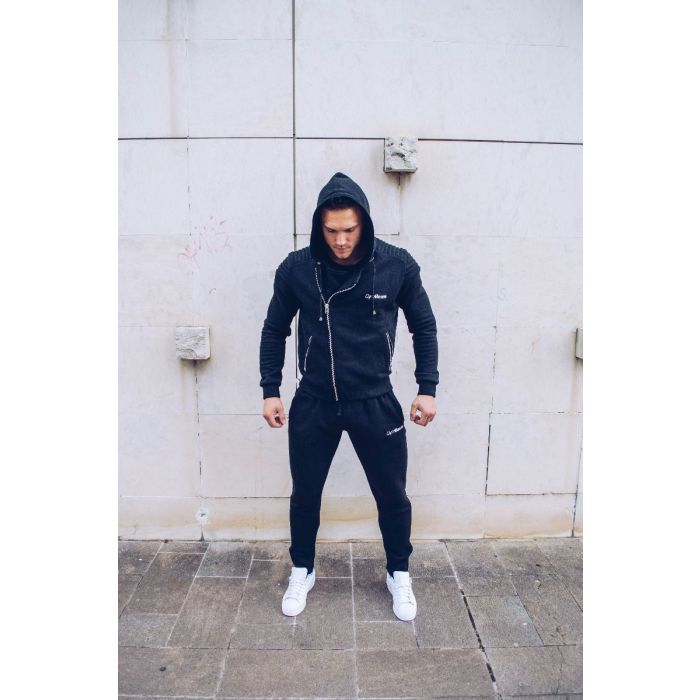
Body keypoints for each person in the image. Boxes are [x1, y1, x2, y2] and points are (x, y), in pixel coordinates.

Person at [259, 171, 438, 622]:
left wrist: (427, 388)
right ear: (319, 227)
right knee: (305, 494)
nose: (341, 241)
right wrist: (270, 390)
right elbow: (274, 329)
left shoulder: (396, 265)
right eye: (331, 231)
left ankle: (398, 572)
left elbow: (424, 325)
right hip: (314, 401)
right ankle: (302, 569)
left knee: (392, 496)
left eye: (350, 230)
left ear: (365, 224)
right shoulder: (297, 269)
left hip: (375, 401)